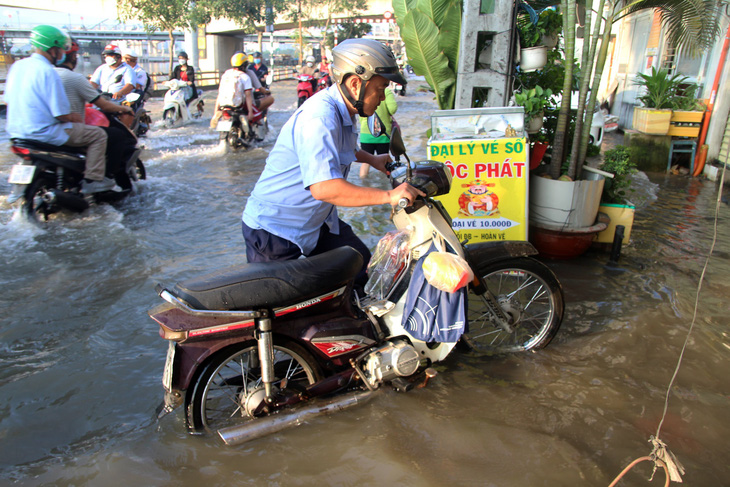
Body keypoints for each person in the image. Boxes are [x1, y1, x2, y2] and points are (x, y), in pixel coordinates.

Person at [241, 38, 424, 287]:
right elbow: (325, 188)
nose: (382, 98)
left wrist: (372, 160)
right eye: (380, 89)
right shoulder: (320, 118)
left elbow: (343, 148)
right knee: (287, 315)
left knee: (362, 271)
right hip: (275, 230)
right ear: (355, 84)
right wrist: (390, 196)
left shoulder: (342, 110)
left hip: (317, 222)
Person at [5, 25, 113, 194]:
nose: (63, 53)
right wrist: (75, 117)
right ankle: (93, 181)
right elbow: (62, 114)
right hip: (45, 133)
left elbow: (8, 100)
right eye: (61, 49)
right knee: (98, 135)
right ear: (53, 49)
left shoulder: (18, 67)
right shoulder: (48, 72)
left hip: (17, 133)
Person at [56, 38, 136, 178]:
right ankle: (101, 177)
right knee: (115, 136)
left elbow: (130, 85)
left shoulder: (43, 75)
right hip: (100, 103)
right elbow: (92, 85)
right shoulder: (90, 73)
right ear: (73, 57)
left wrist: (120, 93)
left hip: (118, 100)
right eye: (106, 55)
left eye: (110, 55)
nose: (108, 58)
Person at [359, 86, 397, 178]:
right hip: (382, 135)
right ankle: (384, 186)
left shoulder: (364, 92)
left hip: (366, 133)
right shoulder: (386, 92)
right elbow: (393, 109)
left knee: (365, 162)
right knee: (384, 162)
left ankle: (362, 182)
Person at [210, 52, 255, 128]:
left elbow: (220, 93)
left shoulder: (226, 74)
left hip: (224, 105)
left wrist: (216, 110)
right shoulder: (245, 77)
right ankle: (245, 122)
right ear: (244, 65)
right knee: (256, 113)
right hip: (238, 105)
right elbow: (248, 96)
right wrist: (250, 112)